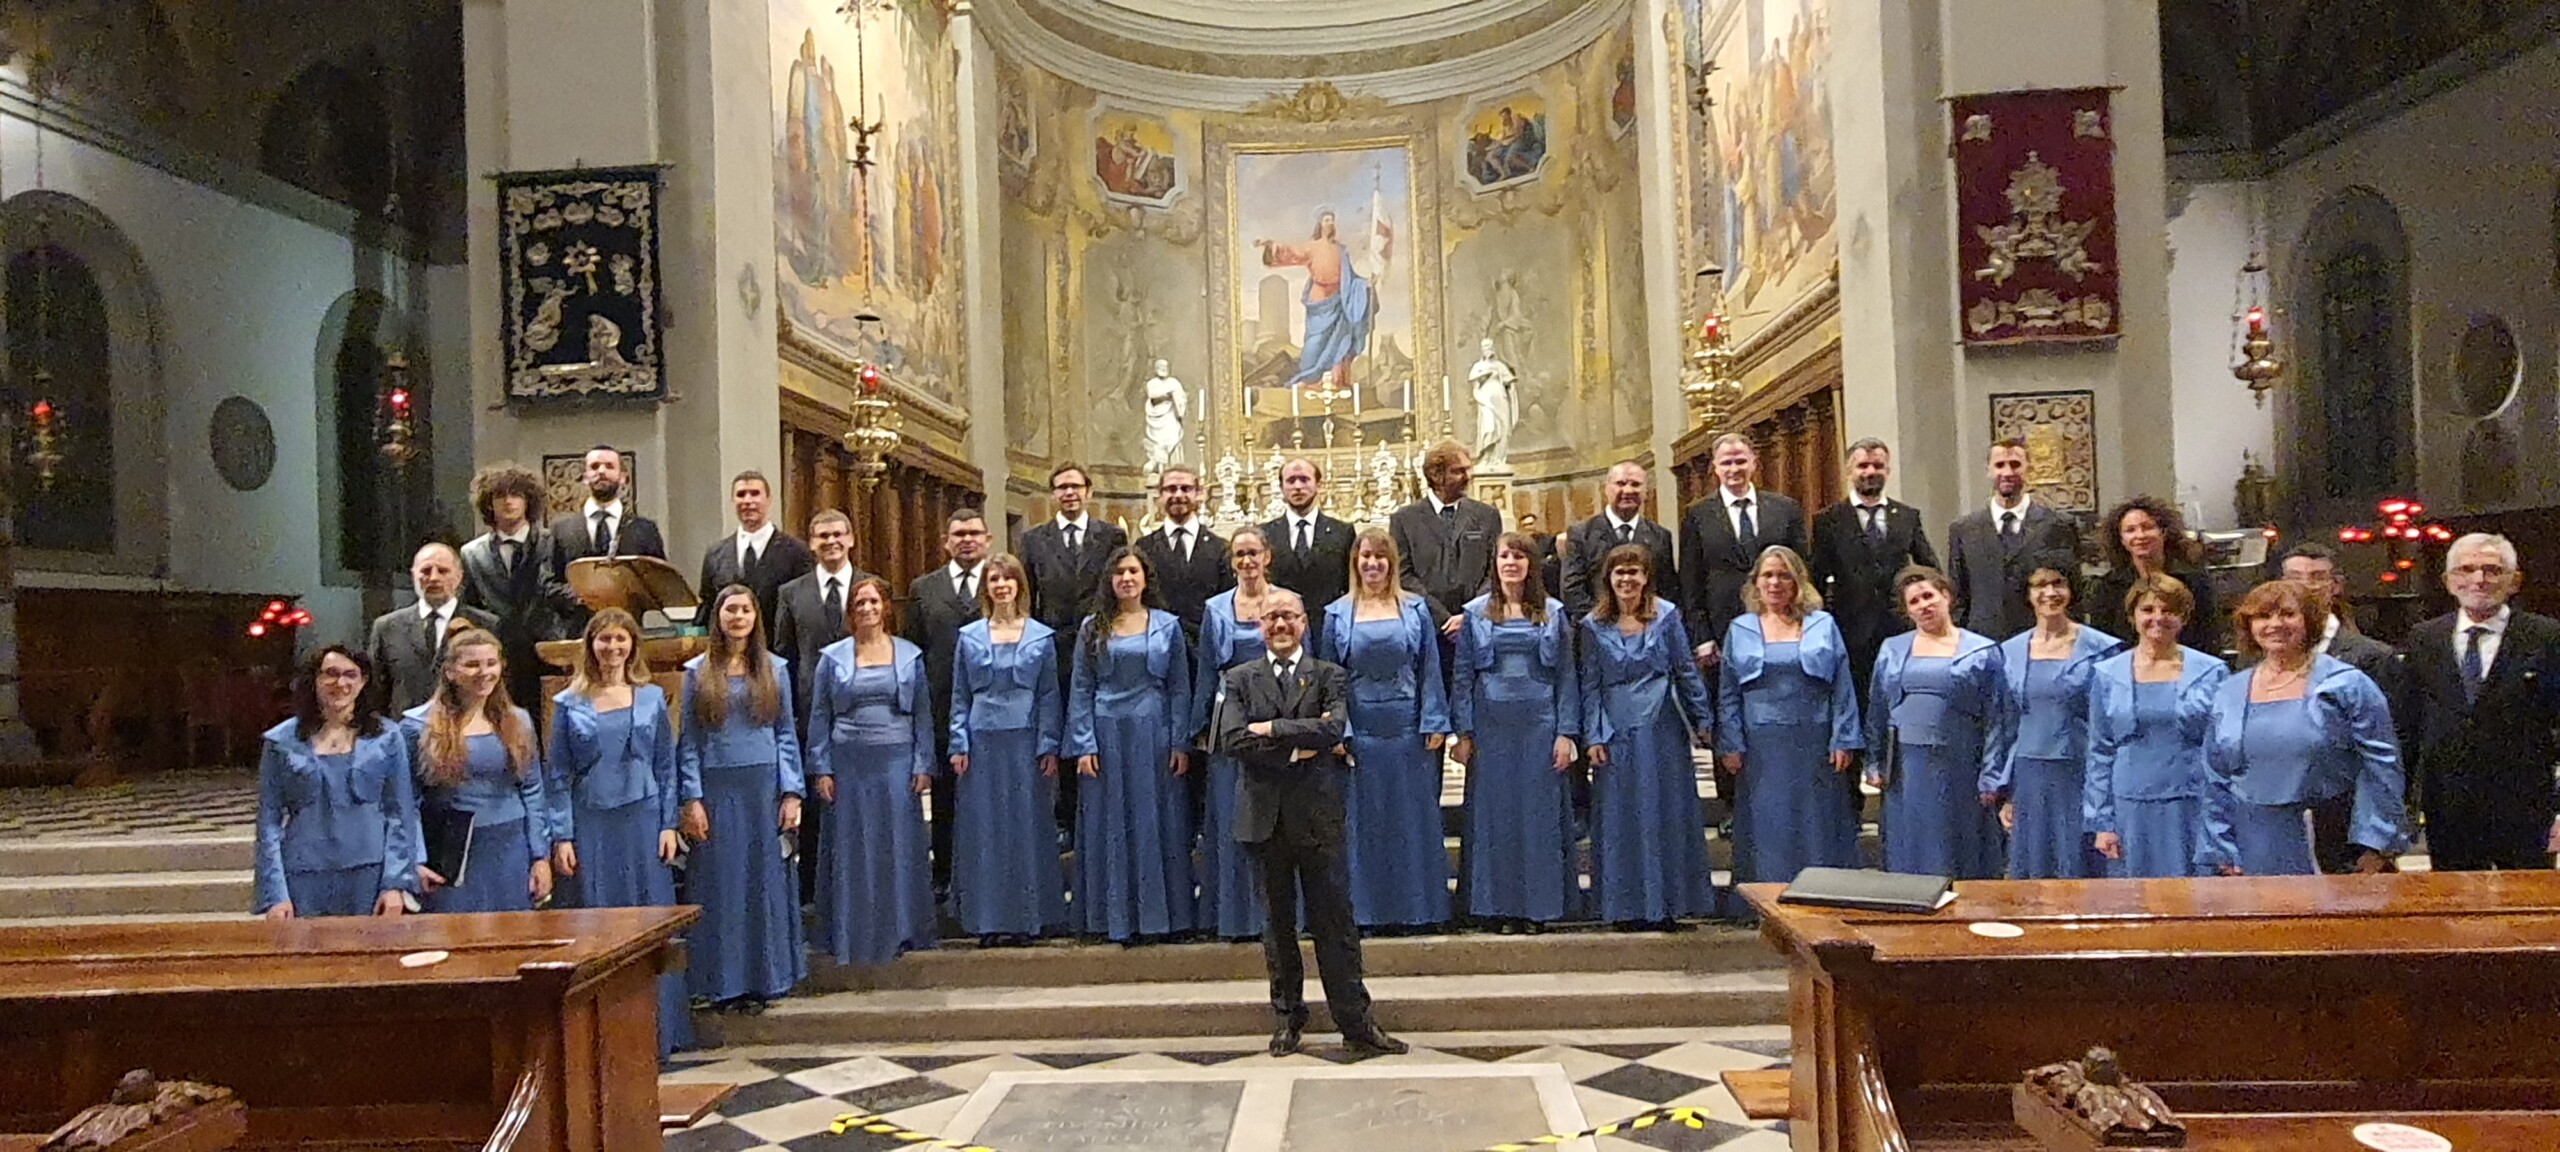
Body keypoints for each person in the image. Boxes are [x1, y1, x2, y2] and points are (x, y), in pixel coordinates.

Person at [1210, 590, 1407, 1058]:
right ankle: (1287, 1019)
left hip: (1318, 817)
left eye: (1289, 616)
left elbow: (1333, 728)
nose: (1280, 624)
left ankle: (1356, 1023)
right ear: (1259, 625)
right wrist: (1301, 745)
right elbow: (1232, 739)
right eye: (1271, 617)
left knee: (1335, 926)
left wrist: (1272, 729)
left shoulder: (1329, 675)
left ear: (1304, 622)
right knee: (1278, 929)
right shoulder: (1237, 679)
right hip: (1264, 819)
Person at [544, 608, 691, 1055]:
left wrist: (669, 825)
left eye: (620, 639)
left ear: (633, 645)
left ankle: (658, 1033)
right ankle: (601, 1038)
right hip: (591, 822)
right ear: (590, 646)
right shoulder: (568, 703)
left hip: (643, 821)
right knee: (597, 919)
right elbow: (558, 775)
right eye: (604, 639)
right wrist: (562, 835)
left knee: (647, 920)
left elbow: (665, 766)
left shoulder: (651, 697)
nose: (612, 647)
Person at [2199, 580, 2406, 876]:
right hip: (2250, 846)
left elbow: (2382, 765)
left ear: (2309, 620)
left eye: (2287, 614)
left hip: (2334, 843)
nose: (2275, 624)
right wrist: (2220, 846)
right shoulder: (2228, 691)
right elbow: (2214, 774)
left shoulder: (2347, 683)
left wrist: (2376, 844)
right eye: (2263, 616)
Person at [676, 585, 806, 1013]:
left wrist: (792, 792)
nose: (738, 617)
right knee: (722, 885)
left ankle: (765, 978)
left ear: (755, 617)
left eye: (745, 609)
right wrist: (692, 798)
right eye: (730, 610)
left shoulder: (775, 669)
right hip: (717, 790)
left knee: (762, 884)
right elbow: (689, 742)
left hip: (763, 790)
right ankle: (723, 982)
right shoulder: (696, 672)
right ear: (718, 617)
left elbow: (785, 734)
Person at [2400, 533, 2560, 871]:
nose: (2479, 579)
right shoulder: (2424, 638)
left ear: (2514, 581)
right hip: (2447, 810)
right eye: (2466, 569)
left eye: (2492, 570)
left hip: (2528, 810)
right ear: (2448, 581)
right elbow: (2409, 727)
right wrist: (2404, 805)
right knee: (2454, 902)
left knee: (2529, 902)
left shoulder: (2546, 636)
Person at [1322, 528, 1452, 931]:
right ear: (1355, 562)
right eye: (1366, 556)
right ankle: (1366, 912)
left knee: (1411, 818)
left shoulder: (1414, 608)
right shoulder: (1336, 613)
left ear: (1391, 562)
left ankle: (1419, 911)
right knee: (1365, 820)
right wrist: (1338, 731)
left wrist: (1434, 721)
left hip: (1407, 728)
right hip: (1361, 730)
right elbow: (1330, 679)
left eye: (1380, 556)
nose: (1373, 564)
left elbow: (1429, 667)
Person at [1580, 544, 1716, 929]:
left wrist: (1702, 717)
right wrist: (1593, 735)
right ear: (1608, 578)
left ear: (1646, 577)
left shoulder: (1667, 615)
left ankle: (1667, 904)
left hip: (1661, 725)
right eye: (1619, 572)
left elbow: (1684, 668)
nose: (1627, 579)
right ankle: (1625, 907)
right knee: (1621, 817)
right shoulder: (1592, 625)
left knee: (1665, 812)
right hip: (1615, 726)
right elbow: (1589, 683)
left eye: (1634, 572)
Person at [1065, 547, 1197, 943]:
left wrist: (1180, 742)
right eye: (1119, 572)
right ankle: (1111, 917)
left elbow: (1179, 687)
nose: (1126, 578)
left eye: (1133, 571)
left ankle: (1162, 918)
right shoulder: (1092, 627)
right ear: (1109, 580)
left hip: (1154, 731)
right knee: (1108, 821)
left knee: (1156, 819)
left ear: (1145, 578)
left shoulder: (1167, 626)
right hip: (1106, 732)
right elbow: (1081, 686)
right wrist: (1084, 744)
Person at [1450, 533, 1580, 930]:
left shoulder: (1553, 612)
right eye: (1505, 555)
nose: (1511, 562)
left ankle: (1538, 908)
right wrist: (1463, 732)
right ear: (1495, 563)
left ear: (1531, 565)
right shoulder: (1474, 613)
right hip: (1490, 728)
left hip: (1540, 724)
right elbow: (1462, 676)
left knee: (1537, 818)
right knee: (1496, 819)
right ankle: (1496, 908)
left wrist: (1566, 732)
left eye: (1519, 556)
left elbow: (1566, 675)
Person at [807, 578, 938, 966]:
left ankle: (900, 930)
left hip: (898, 763)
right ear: (851, 610)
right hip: (848, 764)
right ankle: (852, 931)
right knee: (852, 846)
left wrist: (923, 763)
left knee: (896, 846)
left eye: (874, 601)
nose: (867, 608)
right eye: (859, 602)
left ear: (886, 607)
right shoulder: (832, 658)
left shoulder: (910, 655)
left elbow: (923, 714)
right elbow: (820, 715)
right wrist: (821, 767)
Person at [1716, 546, 1863, 890]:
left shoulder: (1822, 623)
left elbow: (1842, 684)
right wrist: (1730, 742)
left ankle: (1822, 892)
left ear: (1798, 582)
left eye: (1784, 575)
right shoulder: (1740, 628)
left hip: (1814, 741)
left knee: (1816, 821)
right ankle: (1766, 894)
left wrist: (1844, 737)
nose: (1775, 583)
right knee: (1769, 821)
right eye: (1768, 575)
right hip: (1761, 745)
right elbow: (1728, 692)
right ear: (1755, 582)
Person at [948, 553, 1067, 944]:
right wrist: (958, 742)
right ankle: (987, 920)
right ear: (986, 587)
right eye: (994, 579)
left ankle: (1028, 917)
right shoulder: (969, 636)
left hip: (1026, 742)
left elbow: (1049, 694)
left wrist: (1048, 744)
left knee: (1025, 827)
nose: (1001, 586)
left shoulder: (1040, 636)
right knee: (985, 830)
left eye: (1007, 579)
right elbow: (960, 695)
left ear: (1019, 585)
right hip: (981, 742)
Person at [1864, 567, 2011, 881]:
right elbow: (1877, 709)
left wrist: (1992, 775)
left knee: (1955, 845)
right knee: (1909, 846)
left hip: (1959, 766)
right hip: (1905, 770)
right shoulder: (1892, 649)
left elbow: (1998, 718)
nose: (1924, 605)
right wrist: (1874, 762)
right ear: (1907, 611)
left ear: (1946, 596)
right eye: (1914, 601)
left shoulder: (1983, 651)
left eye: (1928, 596)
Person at [254, 646, 420, 919]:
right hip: (303, 875)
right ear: (315, 680)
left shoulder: (387, 736)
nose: (340, 683)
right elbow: (268, 821)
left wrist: (395, 884)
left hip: (370, 873)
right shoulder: (280, 741)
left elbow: (400, 812)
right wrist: (276, 894)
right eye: (330, 674)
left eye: (350, 675)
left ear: (363, 681)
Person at [402, 626, 554, 912]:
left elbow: (533, 789)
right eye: (472, 664)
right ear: (450, 672)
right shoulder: (417, 726)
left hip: (511, 848)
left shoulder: (518, 720)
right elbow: (406, 801)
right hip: (452, 853)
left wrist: (540, 856)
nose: (483, 672)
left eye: (491, 663)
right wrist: (416, 859)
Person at [2084, 575, 2226, 879]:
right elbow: (2099, 750)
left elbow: (2223, 751)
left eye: (2168, 610)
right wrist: (2102, 822)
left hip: (2193, 804)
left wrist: (2221, 821)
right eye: (2148, 610)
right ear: (2132, 616)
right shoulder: (2106, 674)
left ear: (2183, 617)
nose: (2157, 618)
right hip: (2128, 809)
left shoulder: (2212, 671)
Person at [1983, 569, 2118, 880]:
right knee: (2033, 871)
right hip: (2029, 776)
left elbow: (2109, 723)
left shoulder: (2102, 648)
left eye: (2059, 583)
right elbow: (2005, 723)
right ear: (2027, 594)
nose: (2050, 593)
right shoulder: (2008, 651)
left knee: (2081, 866)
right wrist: (2007, 791)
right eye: (2040, 585)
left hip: (2081, 772)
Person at [2279, 543, 2404, 872]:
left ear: (2335, 585)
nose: (2306, 586)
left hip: (2350, 828)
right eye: (2295, 577)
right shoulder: (2260, 657)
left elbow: (2388, 756)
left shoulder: (2372, 657)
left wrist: (2380, 838)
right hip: (2282, 822)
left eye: (2317, 577)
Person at [1024, 463, 1127, 828]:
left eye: (1075, 486)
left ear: (1089, 492)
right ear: (1053, 494)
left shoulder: (1111, 536)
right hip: (1055, 647)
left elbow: (1119, 588)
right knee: (1062, 728)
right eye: (1062, 487)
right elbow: (1029, 597)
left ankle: (1102, 812)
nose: (1069, 493)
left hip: (1101, 643)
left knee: (1097, 726)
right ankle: (1067, 818)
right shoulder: (1034, 539)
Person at [770, 509, 868, 890]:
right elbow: (785, 656)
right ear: (811, 543)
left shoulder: (871, 586)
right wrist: (789, 714)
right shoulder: (791, 593)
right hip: (809, 715)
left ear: (851, 539)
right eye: (823, 536)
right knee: (814, 807)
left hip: (862, 714)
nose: (831, 542)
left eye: (838, 534)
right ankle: (813, 891)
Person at [1192, 527, 1282, 941]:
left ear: (1267, 557)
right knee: (1232, 816)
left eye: (1253, 553)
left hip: (1278, 717)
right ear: (1231, 562)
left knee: (1277, 819)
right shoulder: (1215, 609)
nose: (1247, 561)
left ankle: (1277, 915)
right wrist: (1199, 729)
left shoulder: (1287, 602)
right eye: (1239, 554)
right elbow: (1206, 671)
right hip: (1229, 721)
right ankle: (1233, 917)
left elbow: (1307, 662)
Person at [1808, 439, 1938, 715]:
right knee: (1860, 704)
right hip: (1851, 631)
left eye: (1877, 465)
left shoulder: (1907, 516)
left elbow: (1929, 568)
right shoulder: (1828, 520)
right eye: (1862, 465)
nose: (1870, 471)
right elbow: (1816, 578)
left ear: (1888, 470)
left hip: (1900, 627)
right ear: (1849, 471)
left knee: (1901, 701)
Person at [903, 509, 990, 900]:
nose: (966, 540)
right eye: (959, 534)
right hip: (940, 705)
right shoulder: (924, 588)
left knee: (988, 795)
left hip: (991, 707)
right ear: (946, 542)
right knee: (944, 798)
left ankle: (986, 874)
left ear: (987, 539)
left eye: (974, 533)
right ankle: (944, 875)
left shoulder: (1002, 581)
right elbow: (914, 650)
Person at [459, 466, 583, 712]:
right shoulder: (472, 553)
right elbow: (468, 606)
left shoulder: (553, 543)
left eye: (516, 495)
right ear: (488, 503)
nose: (508, 502)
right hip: (497, 659)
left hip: (549, 656)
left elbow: (571, 595)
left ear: (528, 501)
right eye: (500, 496)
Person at [1678, 433, 1808, 667]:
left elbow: (1802, 569)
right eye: (1726, 463)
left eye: (1740, 461)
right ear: (1715, 467)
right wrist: (1702, 636)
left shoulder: (1785, 509)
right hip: (1721, 629)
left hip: (1781, 624)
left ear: (1754, 463)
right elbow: (1690, 581)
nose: (1734, 469)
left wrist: (1802, 621)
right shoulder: (1697, 514)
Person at [1945, 439, 2081, 640]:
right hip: (1982, 640)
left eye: (2015, 464)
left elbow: (2073, 591)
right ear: (1988, 470)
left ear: (2029, 469)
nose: (2007, 472)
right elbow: (1958, 595)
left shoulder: (2057, 525)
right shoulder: (1964, 529)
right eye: (2000, 465)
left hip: (2041, 640)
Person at [367, 542, 499, 714]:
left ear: (459, 576)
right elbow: (376, 691)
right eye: (425, 571)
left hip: (466, 724)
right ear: (413, 575)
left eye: (443, 571)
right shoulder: (387, 627)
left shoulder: (487, 625)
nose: (434, 578)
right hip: (404, 727)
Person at [1388, 440, 1502, 625]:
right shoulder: (1404, 520)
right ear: (1435, 475)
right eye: (1458, 471)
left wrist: (1470, 614)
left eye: (1468, 469)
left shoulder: (1487, 516)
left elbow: (1494, 571)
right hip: (1425, 623)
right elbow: (1403, 576)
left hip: (1478, 622)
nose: (1468, 477)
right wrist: (1441, 617)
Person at [2089, 496, 2219, 653]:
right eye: (2130, 530)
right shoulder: (2108, 587)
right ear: (2121, 539)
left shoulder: (2195, 581)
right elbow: (2104, 644)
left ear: (2163, 532)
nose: (2140, 535)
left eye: (2147, 527)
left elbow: (2209, 637)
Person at [546, 446, 668, 613]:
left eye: (609, 466)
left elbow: (661, 584)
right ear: (585, 478)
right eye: (594, 467)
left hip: (628, 625)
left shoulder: (645, 530)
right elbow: (547, 584)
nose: (601, 471)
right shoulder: (560, 529)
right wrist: (579, 597)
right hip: (576, 624)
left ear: (623, 478)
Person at [697, 470, 814, 631]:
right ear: (732, 500)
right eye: (741, 494)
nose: (747, 501)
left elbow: (804, 610)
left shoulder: (797, 552)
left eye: (755, 494)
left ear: (769, 499)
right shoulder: (715, 555)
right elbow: (708, 608)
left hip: (777, 644)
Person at [1562, 461, 1679, 622]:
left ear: (1646, 491)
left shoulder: (1660, 536)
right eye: (1620, 483)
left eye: (1636, 484)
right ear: (1606, 489)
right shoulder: (1581, 534)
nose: (1628, 490)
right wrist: (1605, 624)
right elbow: (1572, 590)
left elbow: (1668, 589)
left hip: (1648, 628)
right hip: (1597, 628)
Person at [1263, 458, 1356, 656]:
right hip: (1281, 634)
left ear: (1318, 485)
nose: (1298, 486)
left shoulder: (1342, 533)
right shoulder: (1266, 534)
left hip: (1329, 634)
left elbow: (1350, 587)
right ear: (1281, 488)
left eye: (1304, 479)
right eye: (1291, 480)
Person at [1136, 465, 1235, 640]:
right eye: (1171, 489)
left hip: (1206, 643)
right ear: (1160, 495)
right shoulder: (1144, 548)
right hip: (1158, 643)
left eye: (1186, 489)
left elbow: (1226, 602)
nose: (1178, 495)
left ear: (1199, 493)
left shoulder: (1220, 548)